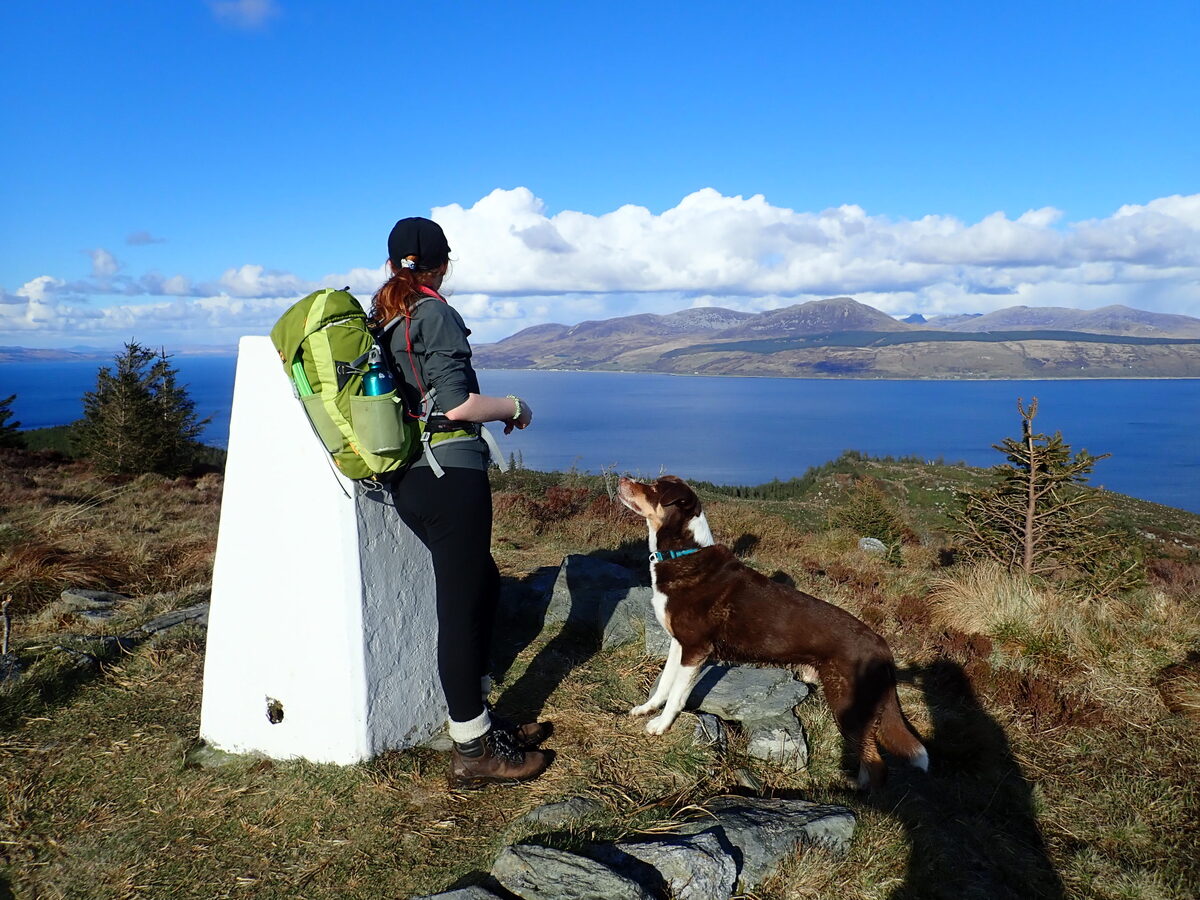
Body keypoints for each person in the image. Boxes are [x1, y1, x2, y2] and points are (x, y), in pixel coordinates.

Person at [371, 217, 551, 788]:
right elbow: (455, 405)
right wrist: (514, 406)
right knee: (460, 609)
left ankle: (481, 720)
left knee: (483, 585)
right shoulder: (434, 312)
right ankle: (473, 750)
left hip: (410, 480)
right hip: (451, 474)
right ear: (442, 263)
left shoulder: (384, 316)